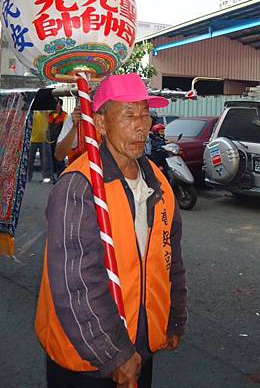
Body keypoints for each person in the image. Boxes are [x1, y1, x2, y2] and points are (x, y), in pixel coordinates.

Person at [35, 73, 186, 388]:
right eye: (129, 114)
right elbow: (75, 282)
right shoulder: (79, 186)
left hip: (140, 347)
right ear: (100, 124)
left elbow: (170, 257)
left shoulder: (157, 181)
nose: (142, 124)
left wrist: (173, 318)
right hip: (88, 360)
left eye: (145, 113)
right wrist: (113, 355)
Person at [28, 110, 53, 183]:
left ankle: (46, 178)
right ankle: (28, 177)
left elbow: (52, 109)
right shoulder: (33, 112)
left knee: (45, 160)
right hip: (32, 139)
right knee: (29, 160)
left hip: (44, 140)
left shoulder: (46, 111)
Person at [47, 98, 68, 180]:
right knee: (51, 161)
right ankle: (52, 178)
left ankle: (61, 178)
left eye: (57, 103)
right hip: (49, 142)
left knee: (59, 161)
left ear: (61, 105)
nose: (55, 105)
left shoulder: (65, 116)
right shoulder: (49, 115)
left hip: (59, 142)